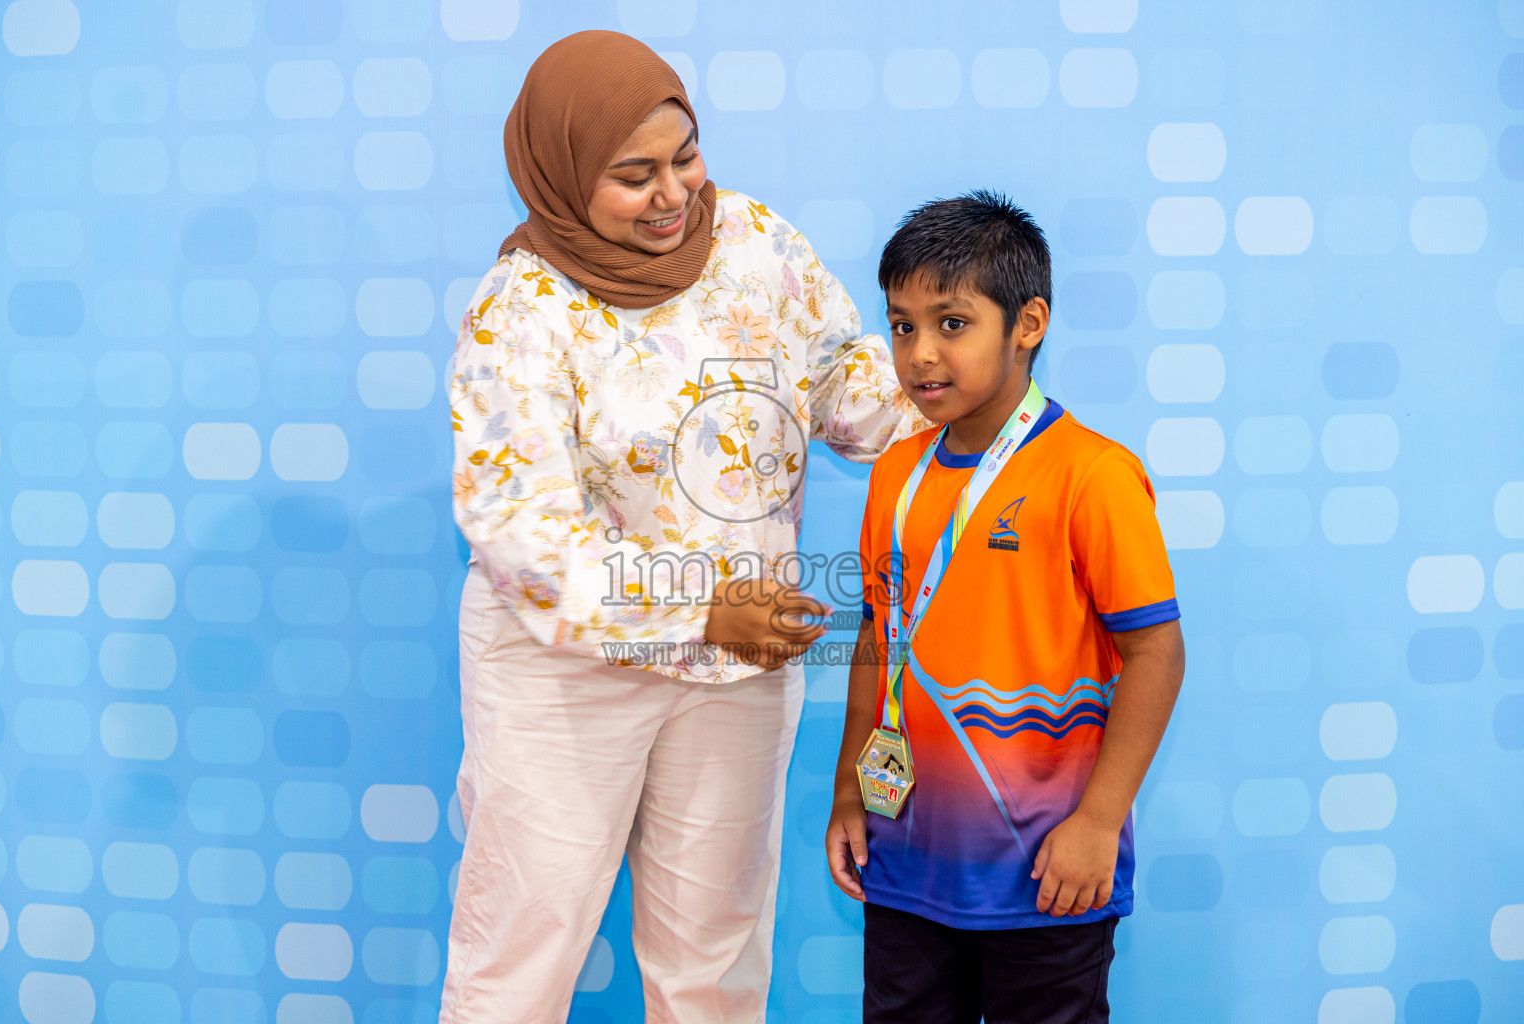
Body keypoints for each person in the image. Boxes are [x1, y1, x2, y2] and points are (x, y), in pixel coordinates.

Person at [442, 31, 927, 1024]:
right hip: (563, 681)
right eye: (633, 174)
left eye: (685, 156)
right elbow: (524, 535)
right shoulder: (519, 310)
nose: (673, 194)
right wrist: (703, 611)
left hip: (738, 679)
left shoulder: (755, 243)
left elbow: (855, 392)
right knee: (518, 966)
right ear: (566, 172)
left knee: (714, 970)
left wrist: (991, 424)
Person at [825, 192, 1186, 1024]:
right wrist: (850, 790)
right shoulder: (895, 473)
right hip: (906, 865)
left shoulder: (1090, 475)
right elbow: (881, 638)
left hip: (1047, 872)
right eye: (903, 325)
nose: (919, 354)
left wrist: (1097, 823)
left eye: (952, 324)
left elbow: (1157, 656)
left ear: (1028, 324)